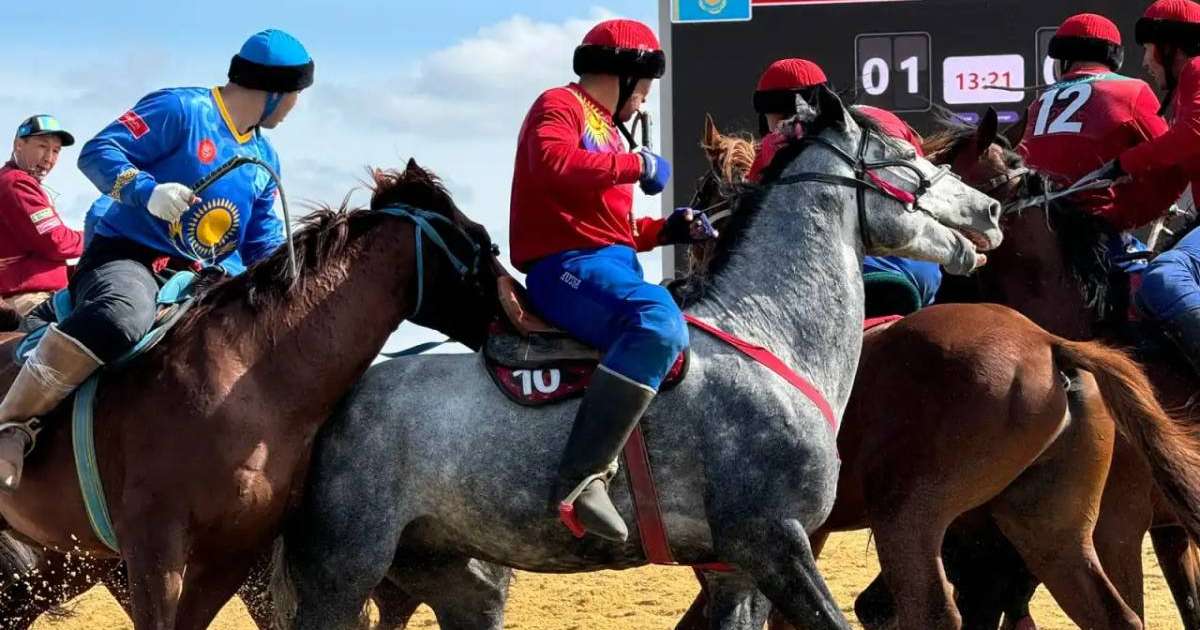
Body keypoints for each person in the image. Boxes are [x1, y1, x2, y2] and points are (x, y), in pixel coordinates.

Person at [0, 28, 315, 491]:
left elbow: (263, 246)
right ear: (274, 91)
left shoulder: (265, 158)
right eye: (295, 95)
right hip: (129, 257)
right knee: (122, 317)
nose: (294, 107)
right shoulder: (181, 109)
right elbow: (99, 151)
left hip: (205, 279)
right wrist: (145, 191)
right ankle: (12, 423)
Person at [509, 18, 715, 541]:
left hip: (605, 263)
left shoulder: (603, 125)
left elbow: (613, 228)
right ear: (623, 75)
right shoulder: (559, 104)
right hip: (564, 270)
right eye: (645, 86)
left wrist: (667, 230)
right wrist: (634, 164)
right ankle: (580, 479)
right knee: (658, 322)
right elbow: (553, 164)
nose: (645, 98)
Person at [748, 58, 941, 313]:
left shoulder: (776, 143)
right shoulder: (883, 118)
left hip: (854, 274)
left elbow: (751, 221)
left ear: (772, 111)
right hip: (926, 268)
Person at [1091, 0, 1200, 374]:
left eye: (1149, 49)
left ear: (1170, 47)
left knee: (1164, 276)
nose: (1145, 62)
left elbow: (1193, 134)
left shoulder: (1197, 69)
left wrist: (1124, 163)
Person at [1018, 12, 1184, 233]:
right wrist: (1126, 217)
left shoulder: (1038, 104)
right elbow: (1173, 166)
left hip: (1036, 229)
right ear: (1115, 58)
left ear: (1063, 60)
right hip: (1095, 230)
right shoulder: (1132, 91)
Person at [0, 115, 84, 316]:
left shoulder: (13, 181)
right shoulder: (17, 183)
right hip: (29, 299)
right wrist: (98, 236)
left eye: (56, 151)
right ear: (19, 145)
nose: (49, 158)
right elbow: (56, 241)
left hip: (35, 295)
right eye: (42, 146)